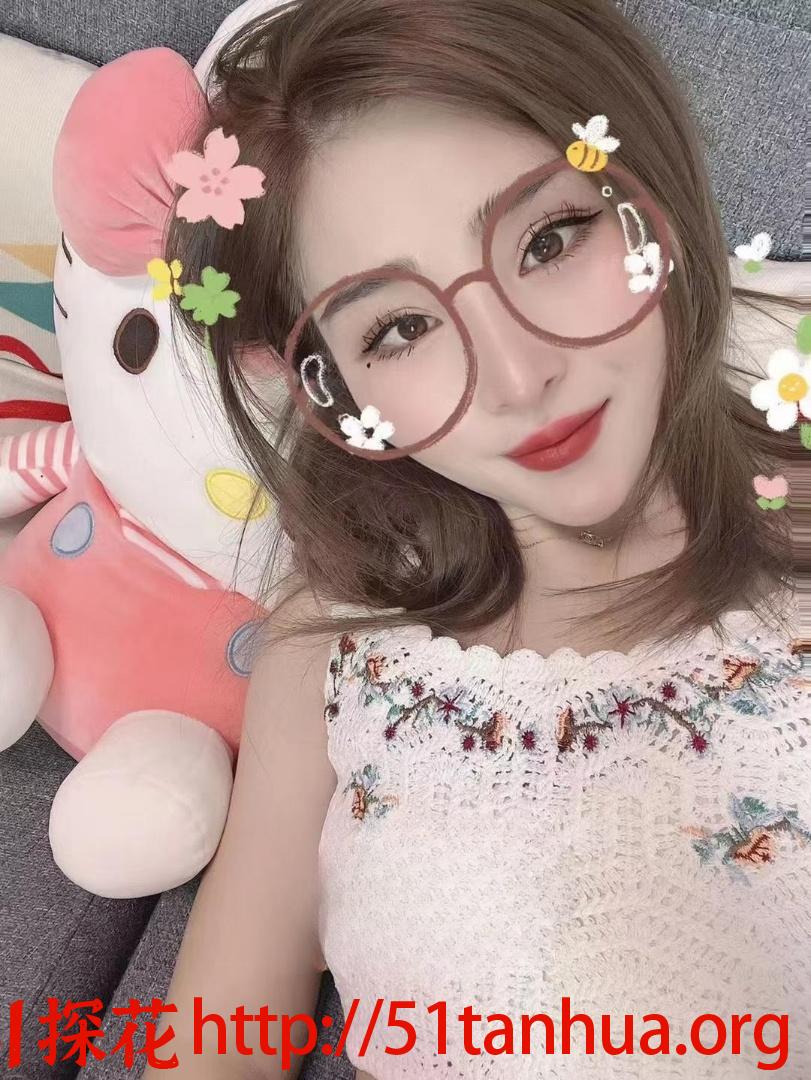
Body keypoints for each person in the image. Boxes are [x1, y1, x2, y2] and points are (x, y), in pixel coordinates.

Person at [144, 0, 809, 1075]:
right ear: (332, 391)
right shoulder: (332, 650)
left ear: (651, 193)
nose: (517, 376)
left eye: (549, 239)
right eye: (398, 329)